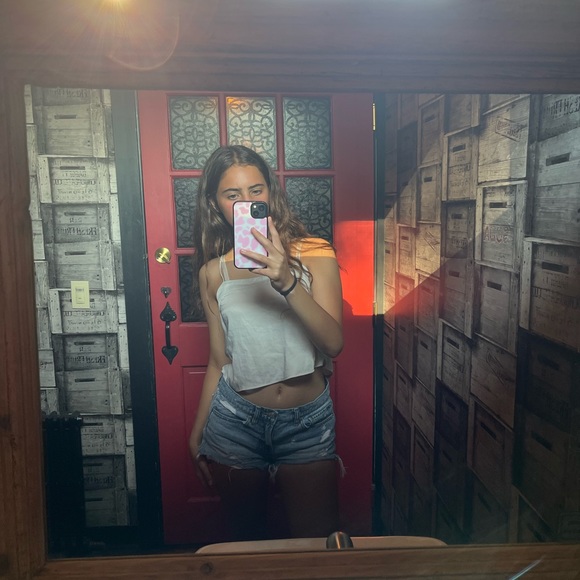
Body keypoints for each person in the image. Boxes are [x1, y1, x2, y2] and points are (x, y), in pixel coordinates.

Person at [188, 145, 344, 541]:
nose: (246, 202)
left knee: (317, 542)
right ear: (215, 204)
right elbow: (218, 361)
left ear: (270, 193)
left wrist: (287, 281)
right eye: (233, 194)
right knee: (248, 542)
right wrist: (197, 431)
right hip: (235, 421)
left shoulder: (314, 252)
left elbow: (333, 343)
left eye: (256, 190)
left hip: (306, 422)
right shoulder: (214, 272)